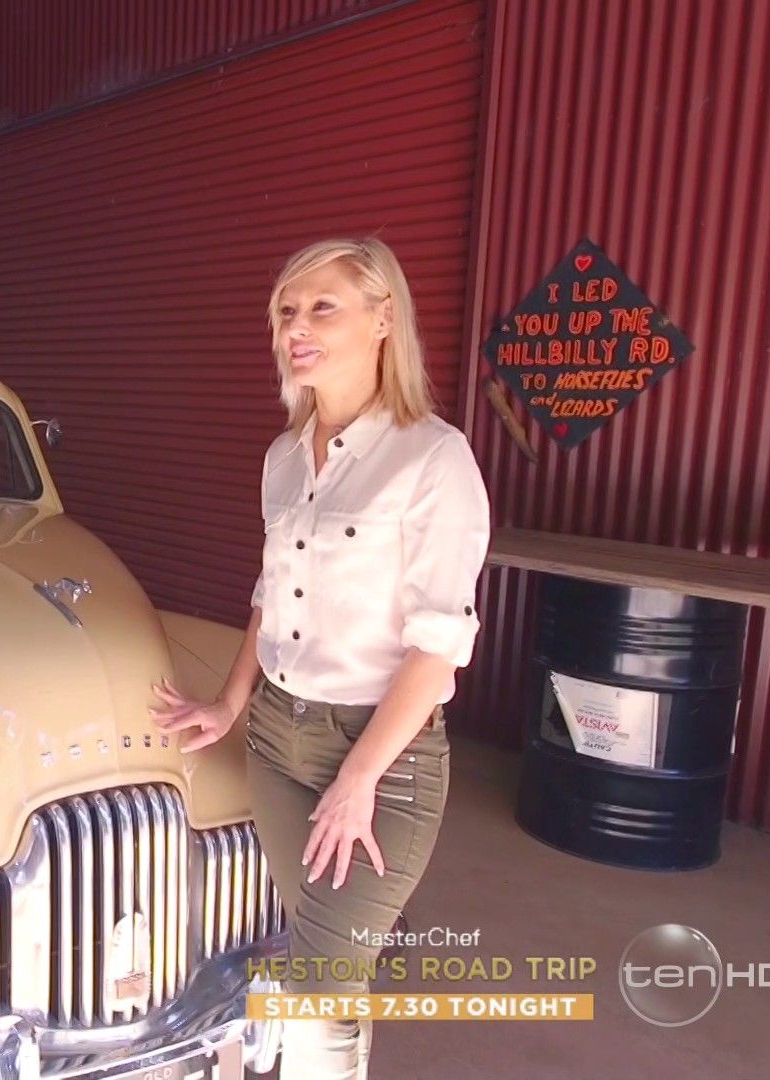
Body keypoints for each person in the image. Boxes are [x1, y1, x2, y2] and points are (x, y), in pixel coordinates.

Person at [151, 238, 490, 1079]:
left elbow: (438, 645)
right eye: (286, 312)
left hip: (382, 758)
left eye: (321, 307)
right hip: (277, 744)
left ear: (384, 318)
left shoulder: (433, 458)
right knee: (325, 966)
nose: (295, 328)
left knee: (315, 986)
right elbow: (272, 594)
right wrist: (231, 702)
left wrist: (359, 777)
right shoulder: (283, 457)